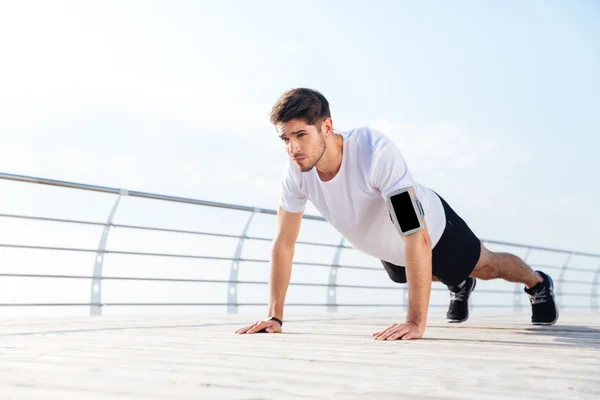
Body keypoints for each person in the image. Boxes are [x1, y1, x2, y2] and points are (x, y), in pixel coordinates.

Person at [235, 88, 558, 340]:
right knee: (411, 273)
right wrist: (274, 316)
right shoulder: (296, 173)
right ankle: (457, 282)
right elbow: (284, 243)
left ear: (327, 126)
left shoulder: (374, 152)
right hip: (390, 248)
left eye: (300, 135)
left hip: (432, 228)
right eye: (285, 139)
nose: (293, 149)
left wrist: (415, 323)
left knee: (486, 266)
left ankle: (537, 283)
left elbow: (416, 236)